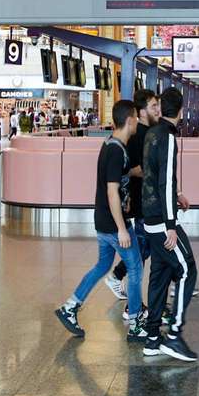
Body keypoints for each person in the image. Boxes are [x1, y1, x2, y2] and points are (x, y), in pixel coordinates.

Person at [55, 100, 146, 342]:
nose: (138, 120)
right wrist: (122, 229)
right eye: (136, 117)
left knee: (102, 266)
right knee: (135, 268)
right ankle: (136, 323)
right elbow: (111, 191)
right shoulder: (117, 150)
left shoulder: (110, 145)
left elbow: (117, 176)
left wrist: (135, 172)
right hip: (114, 224)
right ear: (129, 120)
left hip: (102, 222)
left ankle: (70, 306)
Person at [141, 87, 198, 362]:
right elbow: (164, 181)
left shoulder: (152, 133)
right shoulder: (169, 138)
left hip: (149, 216)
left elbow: (154, 178)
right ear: (183, 111)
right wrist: (171, 224)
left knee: (160, 273)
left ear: (162, 109)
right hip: (162, 220)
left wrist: (176, 196)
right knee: (188, 269)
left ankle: (152, 338)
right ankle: (174, 336)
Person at [107, 90, 160, 302]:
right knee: (142, 247)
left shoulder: (151, 132)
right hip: (141, 200)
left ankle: (118, 277)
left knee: (145, 246)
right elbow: (131, 168)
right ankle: (133, 303)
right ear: (141, 112)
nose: (158, 109)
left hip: (146, 199)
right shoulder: (139, 135)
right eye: (154, 106)